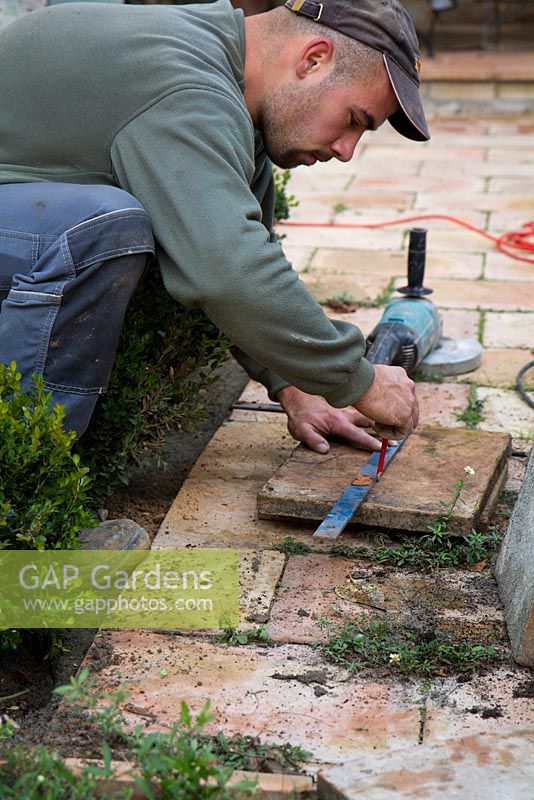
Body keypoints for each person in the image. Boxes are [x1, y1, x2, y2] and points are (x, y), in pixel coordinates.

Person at [0, 0, 428, 455]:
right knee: (105, 228)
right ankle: (22, 470)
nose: (346, 150)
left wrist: (298, 386)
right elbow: (226, 271)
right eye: (354, 120)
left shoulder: (227, 87)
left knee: (145, 226)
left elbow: (249, 254)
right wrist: (361, 382)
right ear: (313, 59)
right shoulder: (187, 88)